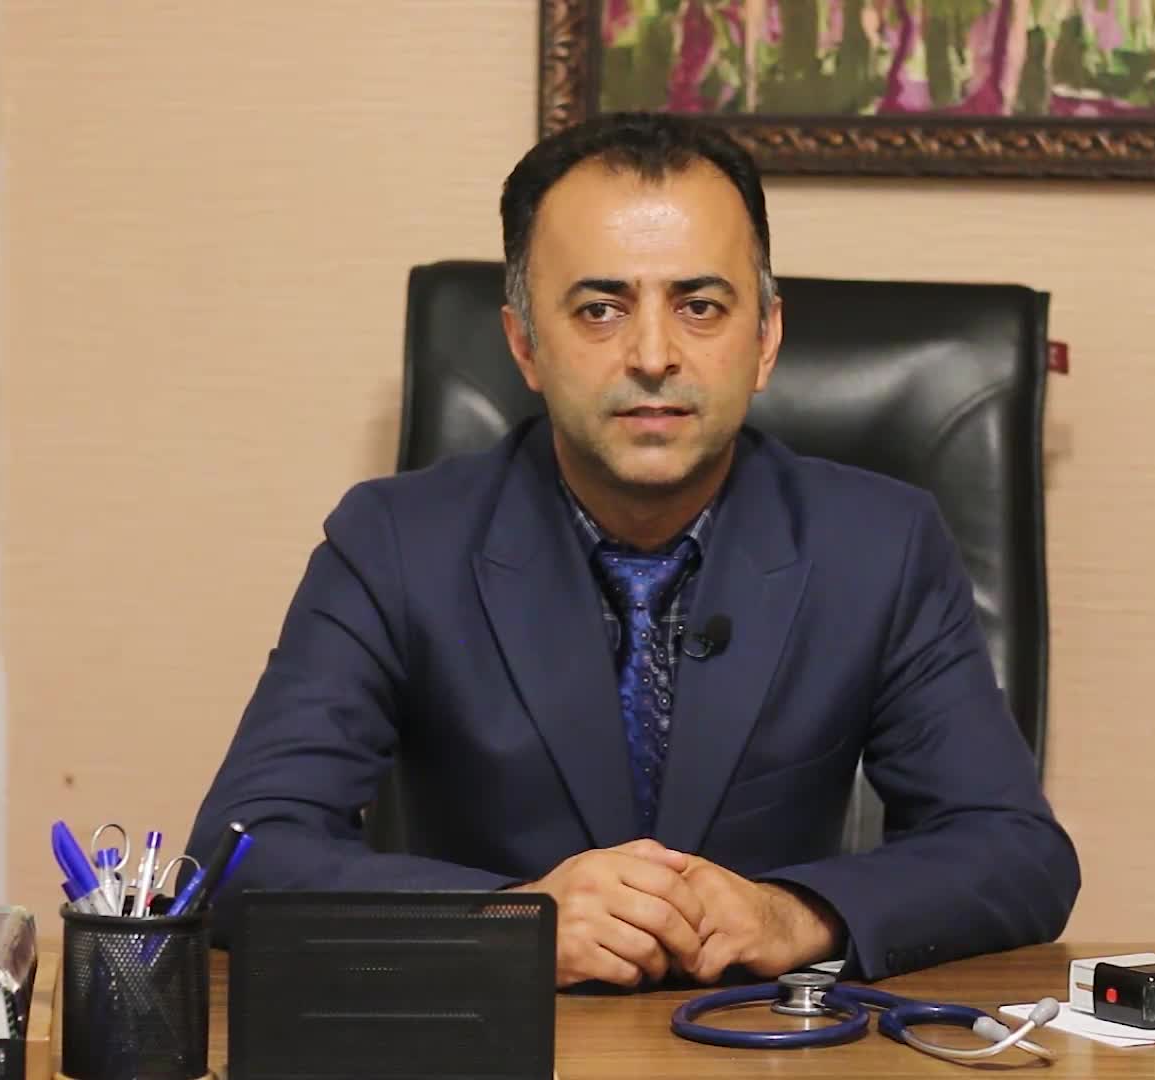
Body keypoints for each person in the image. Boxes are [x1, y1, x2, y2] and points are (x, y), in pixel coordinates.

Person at [185, 112, 1080, 990]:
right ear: (525, 344)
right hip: (499, 1042)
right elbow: (240, 854)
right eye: (601, 310)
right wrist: (507, 922)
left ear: (765, 338)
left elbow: (1015, 851)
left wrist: (798, 914)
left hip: (765, 1043)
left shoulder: (879, 544)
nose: (654, 355)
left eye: (700, 307)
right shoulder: (393, 543)